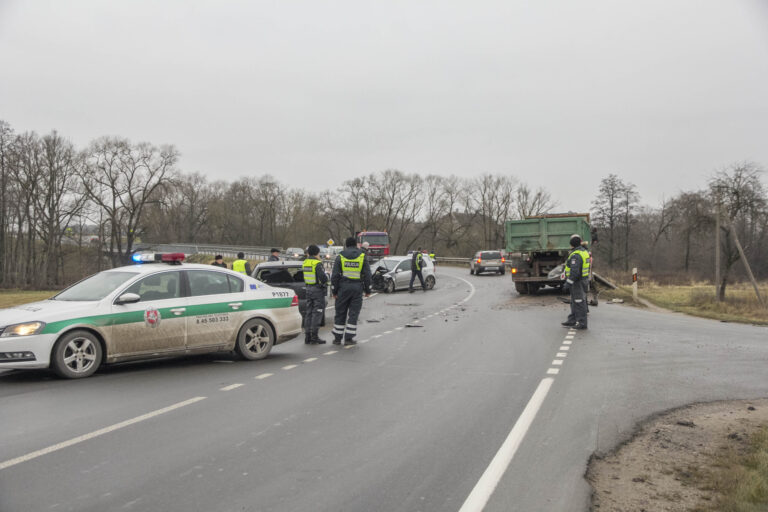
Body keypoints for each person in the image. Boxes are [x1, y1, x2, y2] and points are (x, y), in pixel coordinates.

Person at [331, 236, 372, 345]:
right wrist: (368, 290)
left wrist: (334, 291)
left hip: (343, 288)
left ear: (346, 245)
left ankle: (337, 338)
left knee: (340, 312)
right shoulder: (362, 256)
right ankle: (349, 338)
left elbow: (334, 275)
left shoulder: (340, 256)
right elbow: (367, 275)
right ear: (356, 244)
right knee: (353, 313)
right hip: (357, 288)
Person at [561, 234, 590, 330]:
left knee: (579, 302)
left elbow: (575, 272)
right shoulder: (584, 252)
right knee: (574, 301)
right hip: (583, 280)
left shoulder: (575, 255)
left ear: (571, 244)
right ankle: (572, 320)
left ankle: (582, 323)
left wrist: (568, 283)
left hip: (577, 282)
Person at [302, 245, 328, 345]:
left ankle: (307, 336)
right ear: (317, 253)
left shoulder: (305, 262)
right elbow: (323, 277)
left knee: (308, 313)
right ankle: (314, 337)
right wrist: (326, 281)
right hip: (317, 290)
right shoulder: (317, 263)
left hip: (308, 289)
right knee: (317, 313)